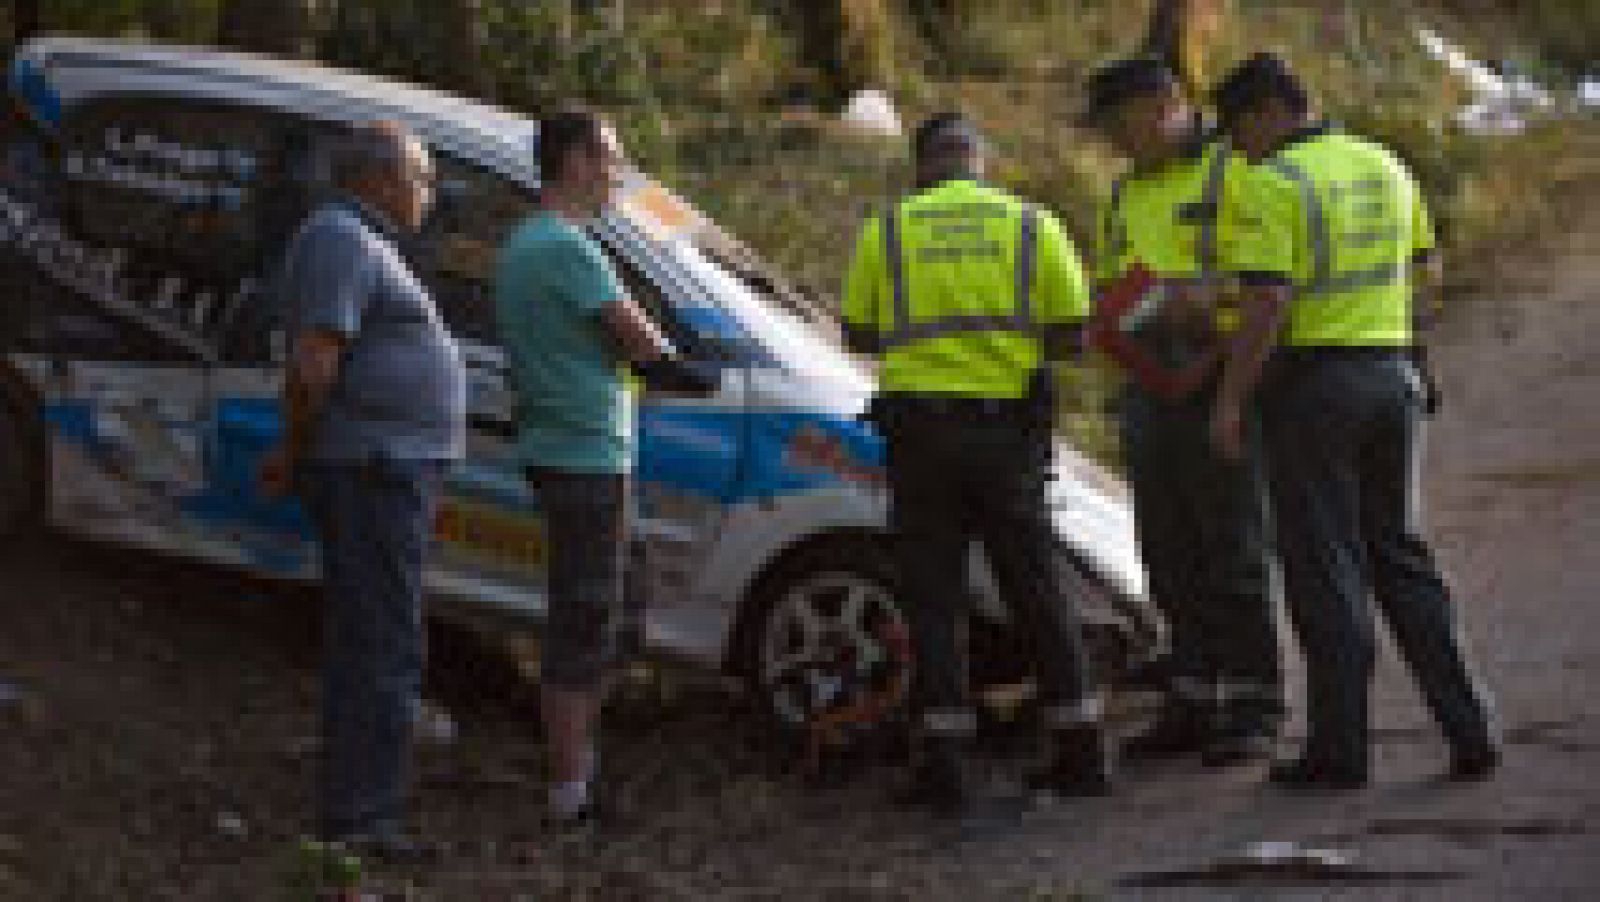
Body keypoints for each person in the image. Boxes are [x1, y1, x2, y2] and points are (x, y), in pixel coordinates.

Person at [1210, 53, 1499, 789]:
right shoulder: (1384, 162)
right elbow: (1425, 267)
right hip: (1392, 376)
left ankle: (1339, 751)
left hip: (1317, 390)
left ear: (1270, 111)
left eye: (1238, 129)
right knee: (1401, 554)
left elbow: (1267, 303)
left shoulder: (1277, 183)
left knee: (1325, 566)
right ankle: (1471, 728)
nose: (1238, 147)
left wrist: (1232, 398)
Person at [842, 113, 1112, 818]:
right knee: (1035, 589)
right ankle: (1081, 751)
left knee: (934, 600)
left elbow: (857, 330)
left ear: (923, 164)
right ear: (979, 160)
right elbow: (1073, 334)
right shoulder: (1031, 226)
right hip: (1006, 439)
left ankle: (947, 767)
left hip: (922, 440)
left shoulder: (889, 230)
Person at [492, 106, 712, 827]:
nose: (617, 172)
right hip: (582, 451)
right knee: (585, 616)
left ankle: (577, 757)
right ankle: (569, 787)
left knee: (616, 600)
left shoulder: (529, 241)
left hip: (568, 445)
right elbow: (638, 336)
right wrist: (689, 368)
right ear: (575, 161)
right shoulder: (565, 246)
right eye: (610, 158)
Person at [261, 121, 465, 854]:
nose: (428, 193)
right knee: (379, 645)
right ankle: (361, 822)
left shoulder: (361, 240)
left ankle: (362, 813)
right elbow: (316, 363)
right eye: (423, 177)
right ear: (379, 179)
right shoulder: (340, 239)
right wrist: (293, 448)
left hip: (385, 468)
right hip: (371, 470)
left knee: (380, 640)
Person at [1080, 56, 1282, 767]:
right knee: (1166, 549)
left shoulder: (1235, 171)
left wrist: (1206, 297)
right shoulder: (1123, 193)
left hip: (1224, 377)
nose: (1111, 140)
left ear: (1165, 103)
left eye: (1117, 123)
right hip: (1150, 384)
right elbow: (1111, 279)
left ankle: (1255, 704)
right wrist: (1106, 319)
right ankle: (1194, 696)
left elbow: (1271, 276)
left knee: (1235, 546)